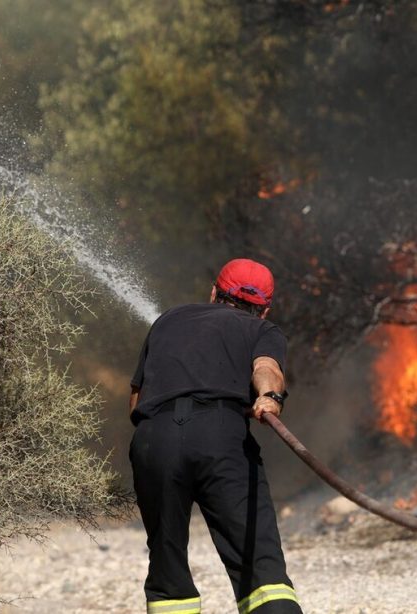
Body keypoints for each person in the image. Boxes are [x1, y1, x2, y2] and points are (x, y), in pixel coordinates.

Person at [129, 258, 302, 614]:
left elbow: (136, 401)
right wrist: (269, 398)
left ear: (213, 293)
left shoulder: (167, 319)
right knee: (261, 567)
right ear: (264, 310)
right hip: (220, 437)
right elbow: (266, 367)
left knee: (167, 570)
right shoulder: (262, 331)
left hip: (153, 439)